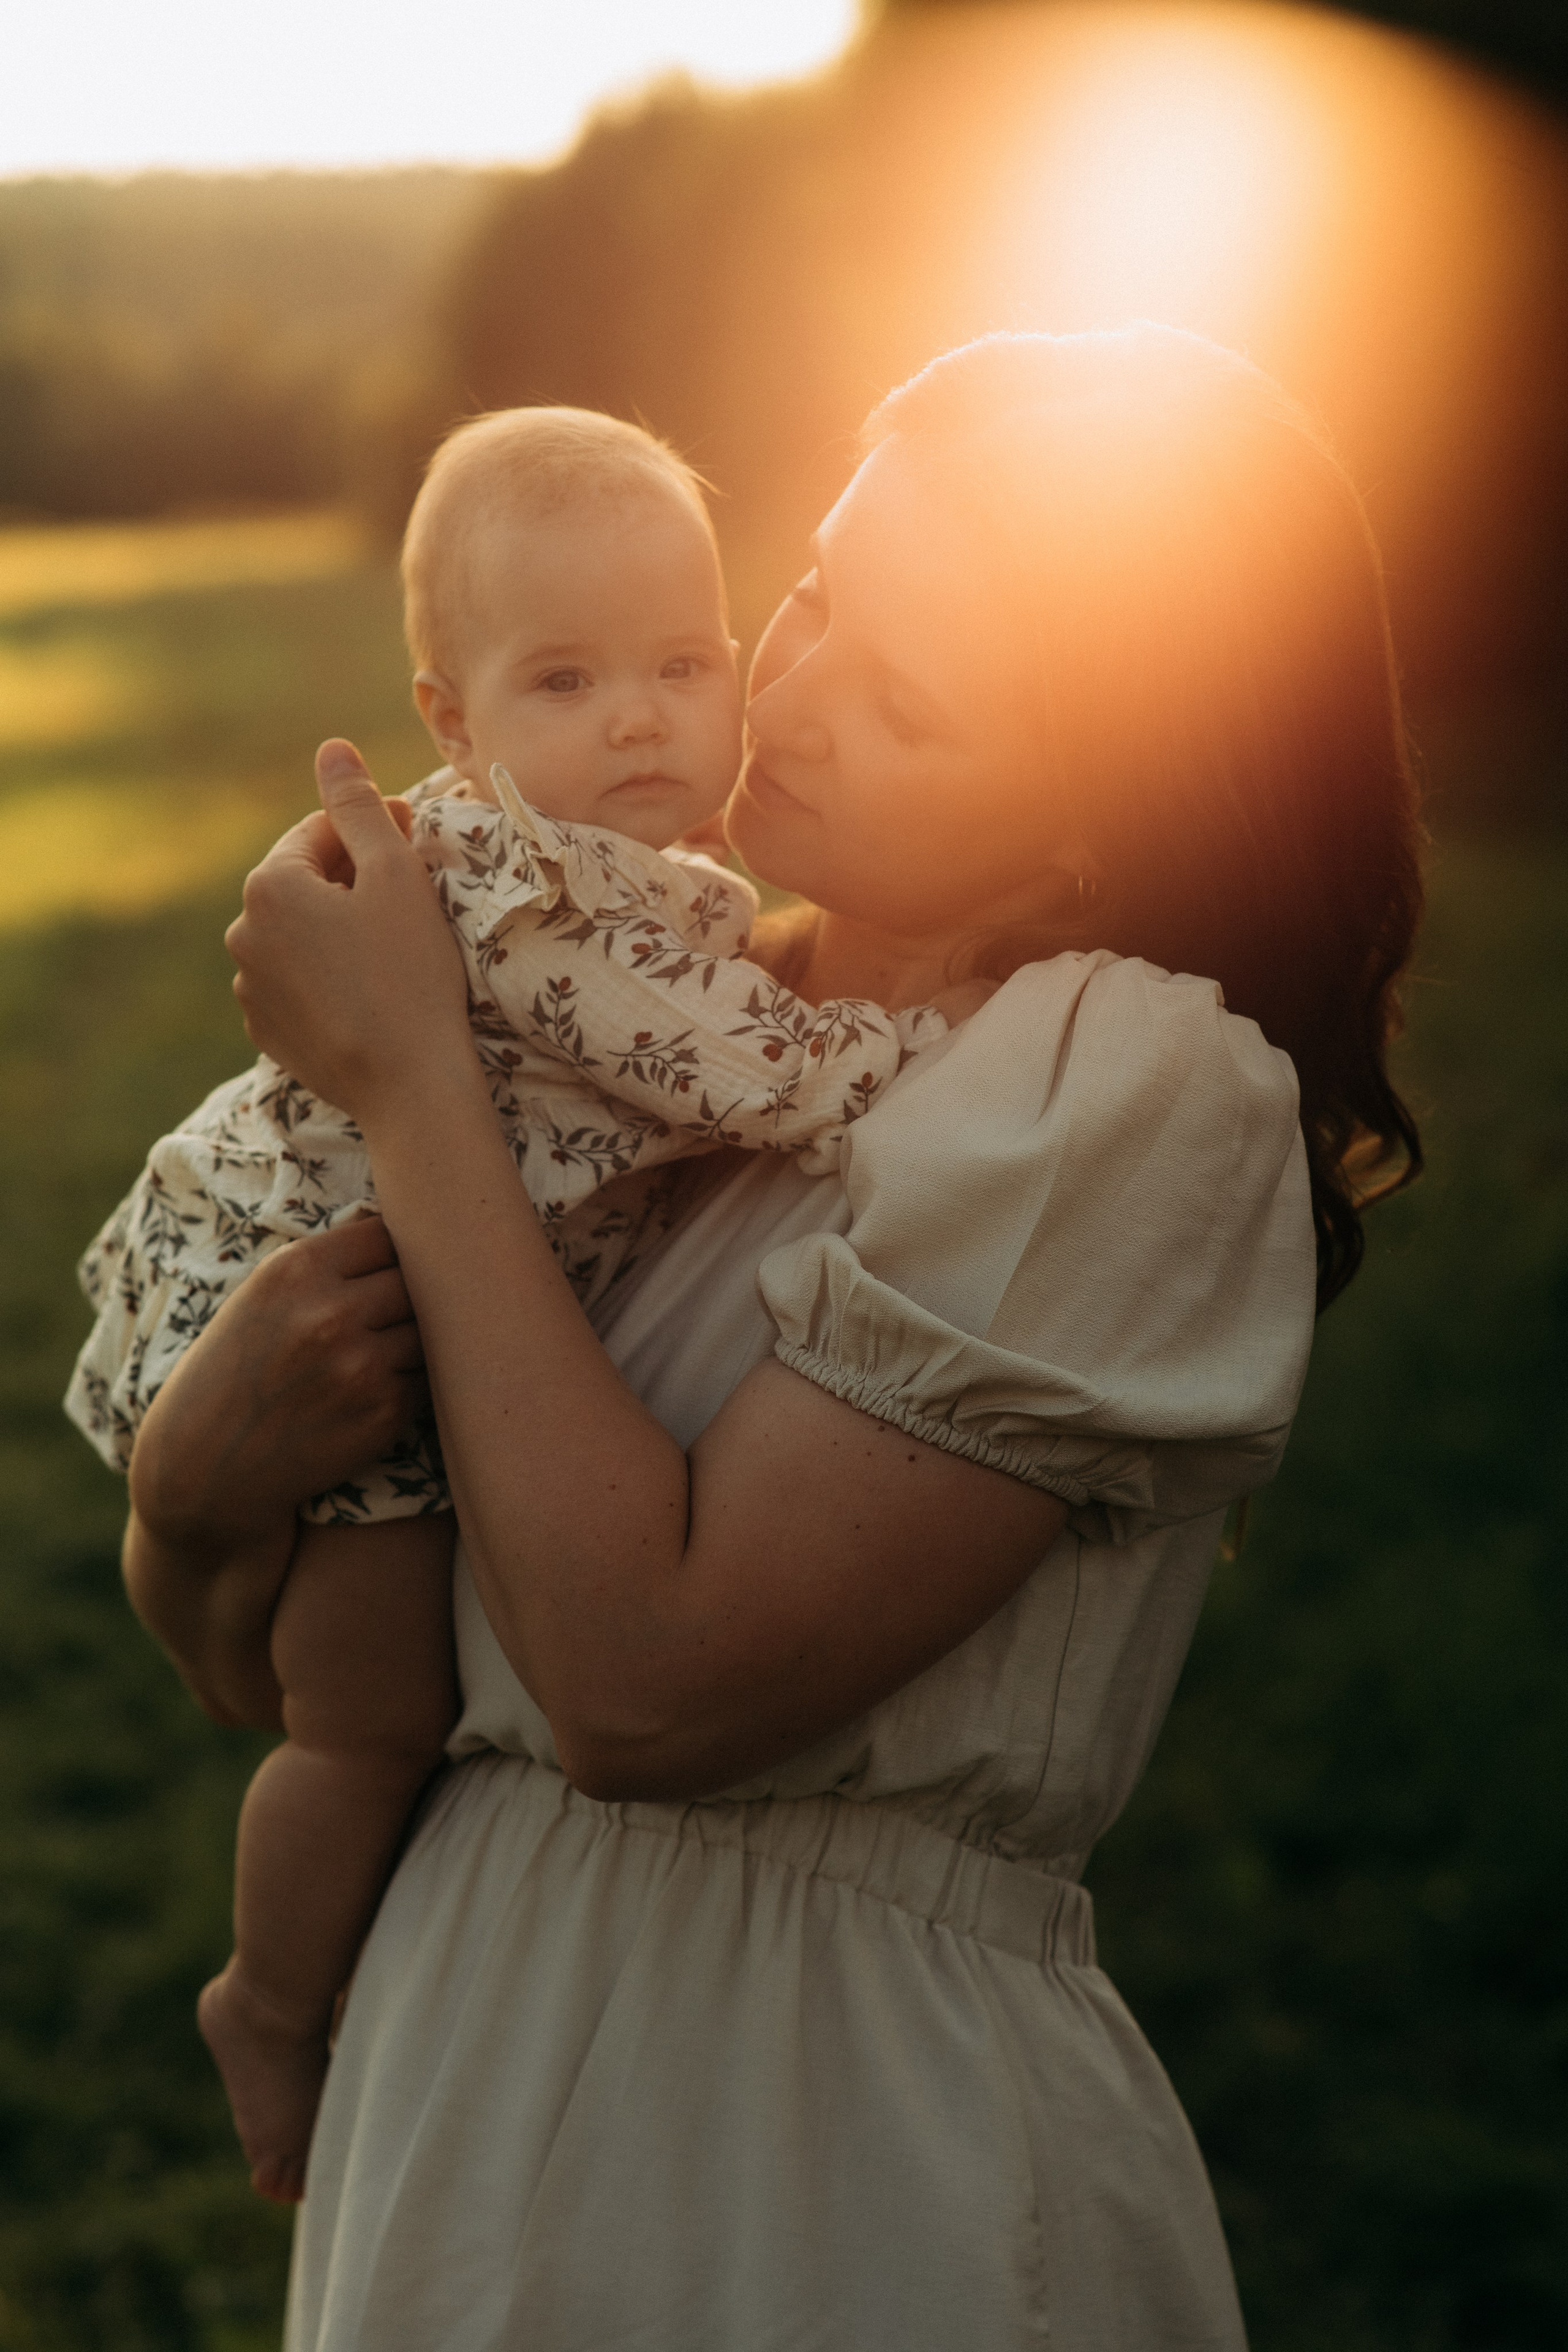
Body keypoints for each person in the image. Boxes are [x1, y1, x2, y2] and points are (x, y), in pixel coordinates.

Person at [121, 326, 1423, 2349]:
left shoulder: (1121, 1090)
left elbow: (642, 1691)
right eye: (811, 594)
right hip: (458, 2059)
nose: (789, 702)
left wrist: (409, 1091)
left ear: (1108, 799)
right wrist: (198, 1490)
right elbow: (300, 1679)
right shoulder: (653, 1026)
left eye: (905, 699)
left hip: (799, 2139)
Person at [67, 404, 967, 2204]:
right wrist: (924, 1059)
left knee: (355, 1673)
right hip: (313, 1289)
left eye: (681, 662)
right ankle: (269, 1995)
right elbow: (747, 1069)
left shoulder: (633, 874)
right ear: (452, 725)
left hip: (366, 1289)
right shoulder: (519, 887)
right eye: (565, 680)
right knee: (366, 1708)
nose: (642, 717)